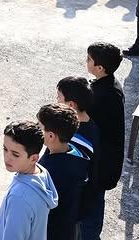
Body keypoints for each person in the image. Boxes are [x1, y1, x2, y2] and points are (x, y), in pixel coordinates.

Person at [80, 43, 125, 239]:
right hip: (106, 160)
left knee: (92, 205)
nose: (86, 61)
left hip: (100, 163)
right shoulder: (111, 85)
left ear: (100, 68)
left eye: (89, 59)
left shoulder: (100, 95)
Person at [0, 121, 58, 240]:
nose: (7, 157)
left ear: (33, 158)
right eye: (5, 149)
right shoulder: (41, 172)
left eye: (15, 154)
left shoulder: (19, 198)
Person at [36, 103, 89, 240]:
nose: (36, 129)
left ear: (52, 136)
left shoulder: (52, 172)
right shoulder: (74, 152)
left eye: (39, 127)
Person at [56, 76, 101, 226]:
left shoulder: (80, 139)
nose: (56, 101)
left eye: (58, 97)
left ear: (71, 105)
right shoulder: (86, 122)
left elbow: (71, 176)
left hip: (70, 207)